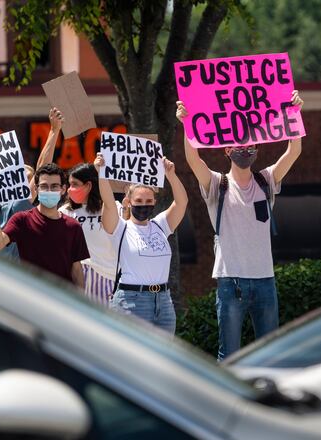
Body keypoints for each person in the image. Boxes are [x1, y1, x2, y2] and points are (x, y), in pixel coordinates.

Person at [176, 90, 304, 361]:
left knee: (271, 353)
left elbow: (294, 151)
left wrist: (294, 113)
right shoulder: (216, 183)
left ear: (256, 151)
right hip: (230, 281)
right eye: (239, 146)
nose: (245, 151)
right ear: (227, 150)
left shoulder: (266, 181)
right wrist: (187, 125)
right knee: (229, 354)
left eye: (250, 147)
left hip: (265, 281)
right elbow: (193, 160)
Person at [96, 154, 188, 334]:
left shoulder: (160, 225)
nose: (143, 205)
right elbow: (108, 203)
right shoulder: (120, 228)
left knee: (162, 357)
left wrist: (171, 175)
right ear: (129, 202)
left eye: (148, 201)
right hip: (131, 301)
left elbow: (182, 202)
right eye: (138, 201)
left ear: (154, 202)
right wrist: (101, 173)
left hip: (163, 301)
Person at [0, 163, 89, 288]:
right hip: (32, 298)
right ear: (36, 189)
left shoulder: (73, 227)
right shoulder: (21, 219)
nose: (49, 191)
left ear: (63, 189)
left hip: (62, 300)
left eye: (54, 186)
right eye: (44, 186)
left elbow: (77, 270)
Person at [0, 107, 64, 259]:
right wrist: (54, 131)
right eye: (28, 178)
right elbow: (43, 170)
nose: (32, 183)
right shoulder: (18, 204)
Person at [60, 163, 122, 305]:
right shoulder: (65, 211)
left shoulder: (114, 208)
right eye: (69, 185)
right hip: (76, 279)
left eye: (75, 184)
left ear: (88, 185)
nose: (70, 190)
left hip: (108, 279)